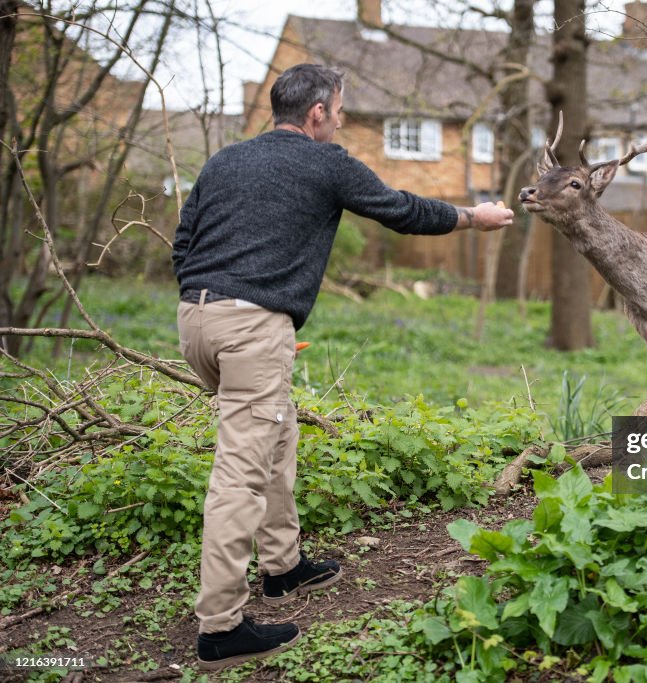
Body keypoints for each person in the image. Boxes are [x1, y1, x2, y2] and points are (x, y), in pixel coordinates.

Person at [172, 63, 513, 671]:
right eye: (340, 110)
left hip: (196, 320)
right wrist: (473, 218)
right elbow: (401, 209)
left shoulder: (226, 160)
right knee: (240, 473)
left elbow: (184, 239)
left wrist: (208, 299)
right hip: (251, 325)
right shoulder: (326, 163)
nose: (342, 121)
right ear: (317, 114)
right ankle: (220, 627)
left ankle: (283, 567)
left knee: (277, 435)